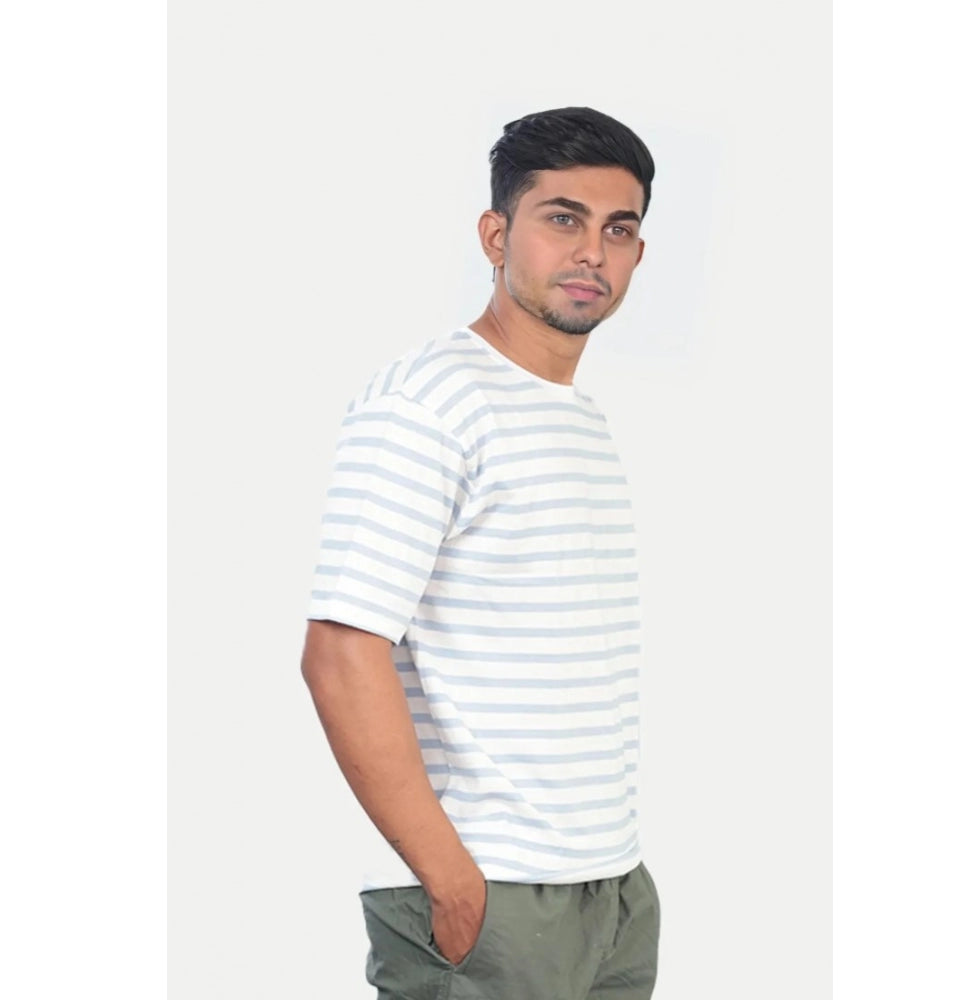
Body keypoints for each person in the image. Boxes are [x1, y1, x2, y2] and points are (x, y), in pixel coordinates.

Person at [300, 106, 660, 1000]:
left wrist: (616, 880)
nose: (592, 252)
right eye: (563, 219)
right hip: (489, 891)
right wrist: (451, 880)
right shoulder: (428, 403)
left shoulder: (576, 418)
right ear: (496, 235)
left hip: (609, 886)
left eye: (618, 229)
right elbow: (342, 653)